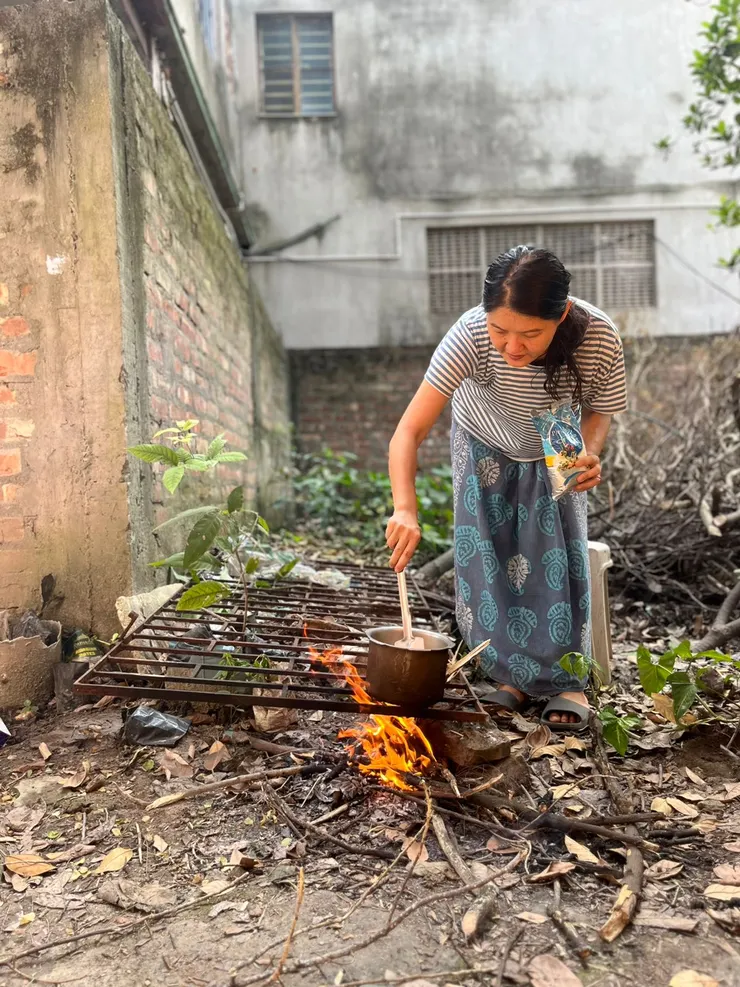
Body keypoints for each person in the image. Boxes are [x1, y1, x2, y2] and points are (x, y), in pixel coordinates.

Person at [385, 246, 626, 731]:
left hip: (556, 436)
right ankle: (508, 676)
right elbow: (407, 432)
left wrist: (590, 453)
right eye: (501, 331)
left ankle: (567, 678)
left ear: (561, 314)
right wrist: (405, 508)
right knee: (487, 556)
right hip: (482, 438)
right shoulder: (470, 334)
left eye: (530, 334)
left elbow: (602, 407)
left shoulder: (597, 335)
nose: (512, 347)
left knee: (557, 553)